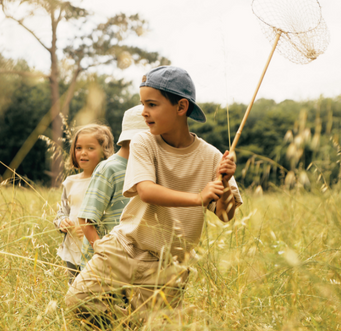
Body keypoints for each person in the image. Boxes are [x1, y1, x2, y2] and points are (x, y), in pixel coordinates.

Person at [65, 66, 243, 323]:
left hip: (168, 264)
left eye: (152, 104)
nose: (144, 111)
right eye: (142, 104)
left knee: (147, 324)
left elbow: (226, 214)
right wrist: (197, 198)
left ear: (181, 107)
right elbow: (146, 191)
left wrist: (224, 184)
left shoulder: (213, 157)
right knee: (76, 303)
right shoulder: (143, 141)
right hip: (125, 247)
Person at [77, 105, 149, 270]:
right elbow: (85, 219)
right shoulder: (109, 169)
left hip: (130, 263)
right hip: (102, 265)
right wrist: (102, 252)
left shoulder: (145, 168)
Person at [53, 124, 114, 283]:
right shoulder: (70, 182)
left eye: (90, 148)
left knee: (99, 289)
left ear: (104, 151)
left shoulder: (106, 181)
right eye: (78, 147)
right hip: (73, 250)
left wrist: (94, 231)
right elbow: (62, 212)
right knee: (74, 291)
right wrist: (62, 223)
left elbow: (112, 216)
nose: (83, 153)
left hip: (97, 249)